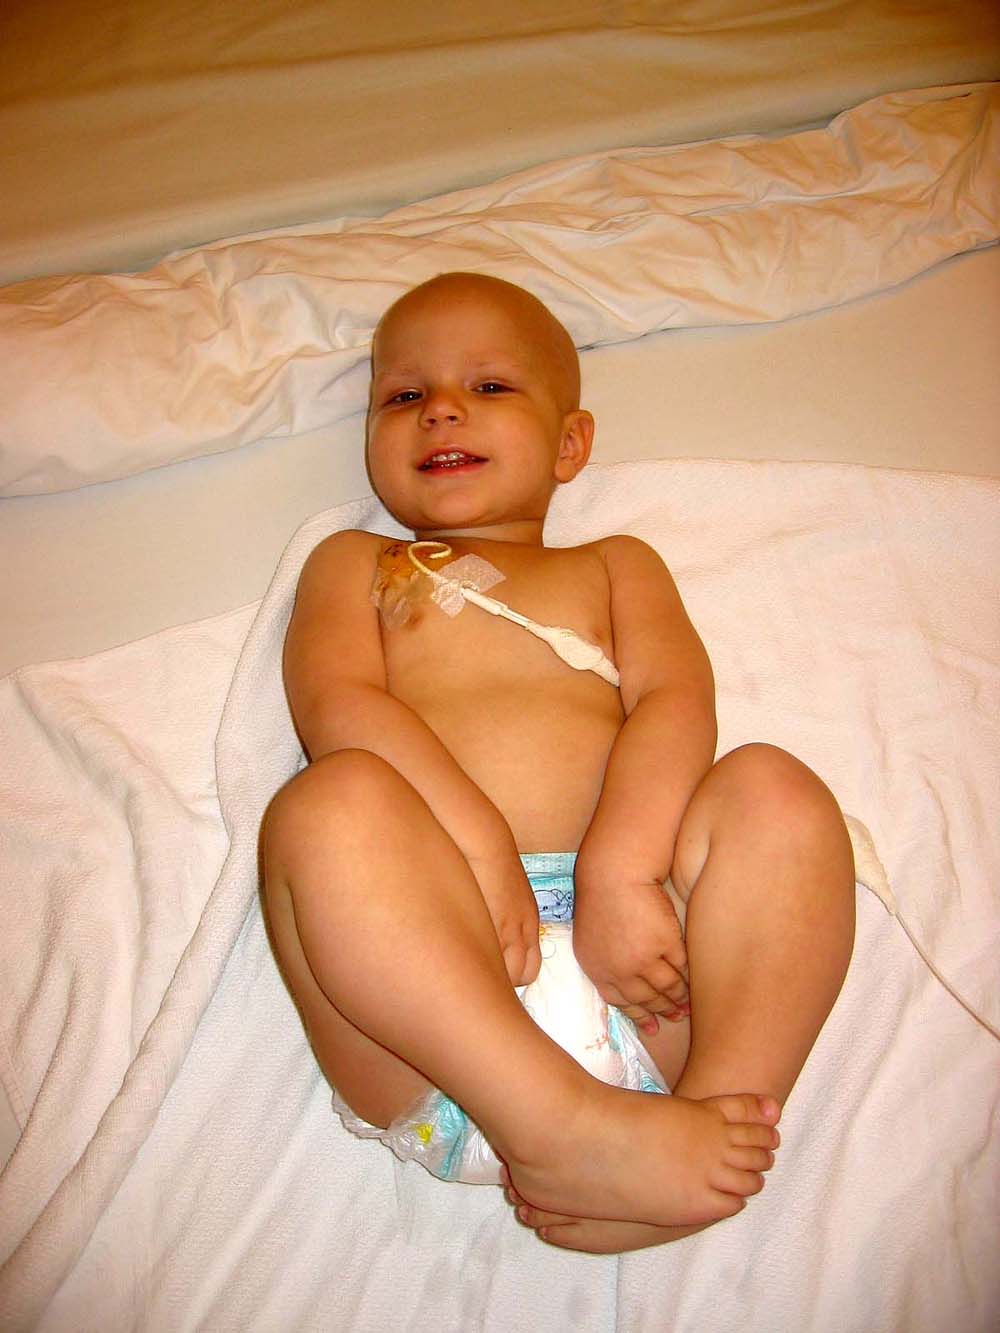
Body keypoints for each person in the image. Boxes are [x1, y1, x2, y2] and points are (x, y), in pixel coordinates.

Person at [260, 271, 856, 1254]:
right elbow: (339, 706)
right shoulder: (355, 565)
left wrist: (621, 871)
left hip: (644, 977)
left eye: (489, 385)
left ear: (570, 443)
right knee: (325, 808)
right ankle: (559, 1124)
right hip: (442, 1024)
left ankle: (710, 1118)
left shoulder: (615, 565)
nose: (440, 408)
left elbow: (675, 702)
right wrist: (478, 843)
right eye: (403, 395)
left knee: (776, 789)